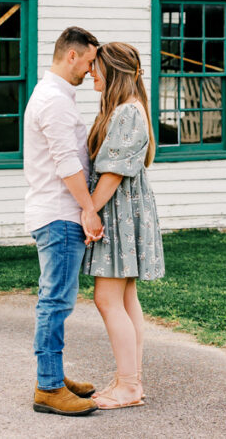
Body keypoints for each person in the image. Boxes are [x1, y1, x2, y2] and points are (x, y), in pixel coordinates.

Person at [23, 26, 103, 416]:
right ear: (72, 55)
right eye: (89, 61)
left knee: (58, 300)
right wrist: (89, 209)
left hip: (58, 212)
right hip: (59, 214)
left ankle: (53, 375)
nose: (91, 70)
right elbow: (67, 163)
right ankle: (49, 387)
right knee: (55, 301)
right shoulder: (53, 100)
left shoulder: (56, 96)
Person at [81, 41, 165, 410]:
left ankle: (129, 386)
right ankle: (129, 378)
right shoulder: (128, 108)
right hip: (124, 210)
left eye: (96, 67)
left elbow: (113, 173)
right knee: (126, 297)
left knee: (107, 298)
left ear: (112, 70)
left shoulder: (127, 112)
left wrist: (89, 211)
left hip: (118, 211)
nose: (91, 73)